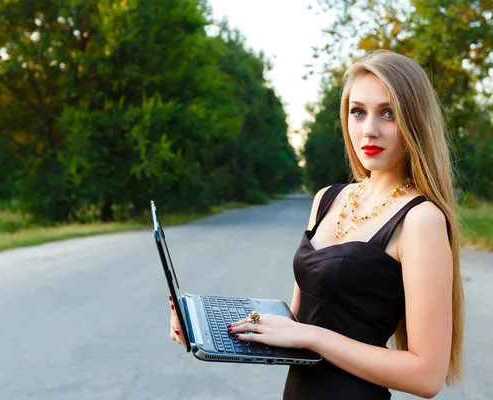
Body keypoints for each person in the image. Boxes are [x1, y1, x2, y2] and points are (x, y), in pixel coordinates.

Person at [169, 50, 464, 399]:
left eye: (388, 113)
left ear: (415, 121)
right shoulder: (327, 199)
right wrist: (210, 331)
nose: (369, 129)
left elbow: (426, 377)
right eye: (358, 112)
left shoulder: (421, 219)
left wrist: (312, 336)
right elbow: (295, 324)